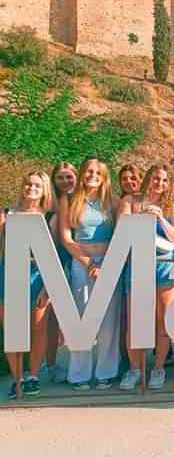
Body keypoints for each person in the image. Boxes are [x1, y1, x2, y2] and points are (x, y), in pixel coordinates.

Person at [117, 165, 174, 390]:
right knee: (135, 321)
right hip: (138, 264)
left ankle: (158, 368)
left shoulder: (171, 205)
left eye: (165, 181)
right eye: (156, 178)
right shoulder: (131, 200)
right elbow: (121, 228)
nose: (160, 184)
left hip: (165, 265)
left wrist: (161, 220)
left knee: (163, 319)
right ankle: (135, 369)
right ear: (148, 179)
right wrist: (141, 216)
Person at [59, 158, 122, 390]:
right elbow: (66, 239)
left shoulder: (113, 203)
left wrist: (106, 264)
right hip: (80, 262)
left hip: (109, 263)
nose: (92, 175)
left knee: (108, 319)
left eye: (97, 172)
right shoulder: (69, 200)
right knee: (80, 318)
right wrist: (88, 263)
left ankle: (106, 372)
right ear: (82, 173)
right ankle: (79, 374)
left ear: (104, 177)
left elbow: (120, 235)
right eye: (88, 171)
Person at [0, 171, 54, 398]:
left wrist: (49, 285)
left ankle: (32, 376)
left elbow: (56, 254)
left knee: (38, 328)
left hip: (39, 275)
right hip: (9, 274)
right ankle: (17, 378)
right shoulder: (6, 213)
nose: (31, 188)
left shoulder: (50, 216)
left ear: (44, 191)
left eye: (37, 186)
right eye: (28, 184)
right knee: (12, 331)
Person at [45, 161, 79, 384]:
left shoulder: (84, 204)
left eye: (69, 177)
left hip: (79, 262)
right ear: (53, 181)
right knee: (51, 318)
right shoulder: (47, 208)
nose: (65, 182)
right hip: (55, 262)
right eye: (60, 178)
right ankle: (51, 365)